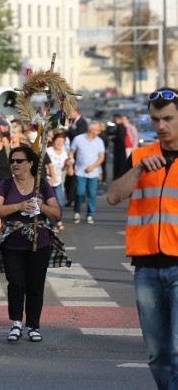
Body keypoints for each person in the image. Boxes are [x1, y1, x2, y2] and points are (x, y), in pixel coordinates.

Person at [106, 87, 178, 389]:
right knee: (157, 353)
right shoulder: (140, 155)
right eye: (155, 119)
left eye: (168, 119)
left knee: (176, 349)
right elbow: (113, 196)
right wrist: (137, 171)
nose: (161, 126)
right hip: (146, 266)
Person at [0, 145, 69, 343]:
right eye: (12, 161)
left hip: (39, 242)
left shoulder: (43, 185)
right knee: (16, 283)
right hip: (12, 243)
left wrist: (42, 206)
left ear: (30, 164)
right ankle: (16, 323)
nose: (14, 164)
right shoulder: (5, 185)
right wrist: (19, 206)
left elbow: (56, 213)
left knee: (35, 285)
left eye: (19, 161)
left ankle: (33, 325)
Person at [69, 121, 105, 224]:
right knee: (79, 193)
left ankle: (90, 214)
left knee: (92, 194)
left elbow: (102, 157)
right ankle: (77, 211)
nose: (99, 132)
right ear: (91, 130)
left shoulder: (99, 141)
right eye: (98, 130)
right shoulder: (78, 139)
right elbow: (71, 152)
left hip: (93, 173)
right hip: (80, 171)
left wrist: (93, 167)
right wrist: (70, 164)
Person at [46, 132, 69, 231]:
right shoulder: (48, 151)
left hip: (58, 181)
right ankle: (52, 223)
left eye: (62, 142)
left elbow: (64, 169)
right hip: (48, 181)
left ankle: (58, 219)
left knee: (60, 202)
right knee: (50, 203)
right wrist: (49, 173)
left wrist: (68, 164)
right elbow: (45, 164)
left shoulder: (64, 152)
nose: (59, 143)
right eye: (58, 141)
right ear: (54, 140)